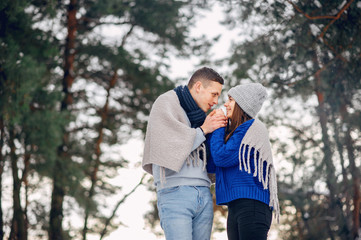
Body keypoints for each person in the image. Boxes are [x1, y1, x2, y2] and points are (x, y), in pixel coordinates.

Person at [142, 67, 228, 240]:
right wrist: (204, 129)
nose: (216, 101)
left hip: (204, 192)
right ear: (198, 87)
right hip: (175, 191)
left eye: (218, 96)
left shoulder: (203, 117)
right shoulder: (166, 102)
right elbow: (169, 144)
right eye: (213, 94)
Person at [206, 83, 280, 240]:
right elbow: (213, 164)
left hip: (252, 205)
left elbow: (222, 157)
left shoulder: (252, 127)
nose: (226, 104)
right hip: (236, 206)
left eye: (231, 100)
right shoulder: (234, 133)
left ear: (242, 104)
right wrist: (212, 128)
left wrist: (219, 128)